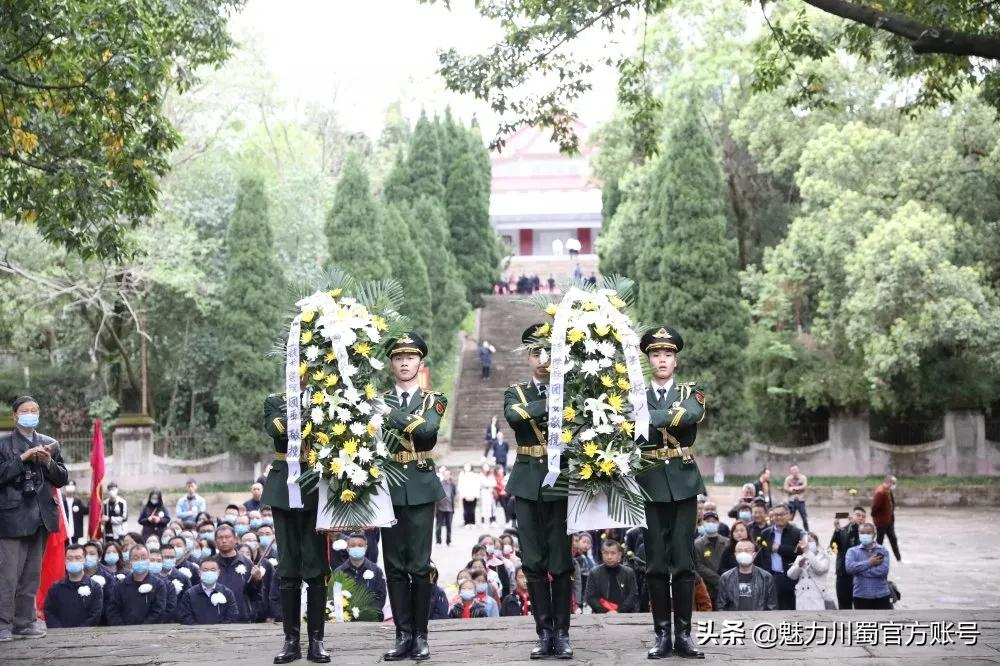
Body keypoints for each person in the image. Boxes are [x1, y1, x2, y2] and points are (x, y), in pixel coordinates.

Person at [635, 326, 706, 659]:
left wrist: (647, 417)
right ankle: (662, 634)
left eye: (667, 355)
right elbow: (627, 428)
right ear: (648, 360)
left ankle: (685, 634)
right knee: (656, 564)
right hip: (648, 483)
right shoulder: (635, 393)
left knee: (684, 561)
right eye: (655, 355)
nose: (661, 360)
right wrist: (661, 417)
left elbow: (690, 414)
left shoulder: (691, 391)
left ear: (675, 361)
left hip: (682, 483)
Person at [504, 324, 574, 659]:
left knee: (560, 562)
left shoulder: (573, 391)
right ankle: (543, 632)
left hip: (560, 483)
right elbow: (514, 416)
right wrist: (553, 404)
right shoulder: (516, 392)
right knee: (532, 562)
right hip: (529, 482)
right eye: (536, 353)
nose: (543, 359)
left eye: (550, 352)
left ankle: (562, 633)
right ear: (528, 358)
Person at [380, 333, 447, 662]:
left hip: (420, 485)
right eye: (398, 357)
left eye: (411, 357)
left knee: (419, 566)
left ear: (421, 363)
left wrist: (388, 416)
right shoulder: (376, 400)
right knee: (393, 565)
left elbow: (426, 432)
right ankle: (402, 634)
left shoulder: (435, 399)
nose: (404, 362)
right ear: (391, 364)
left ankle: (421, 635)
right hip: (387, 487)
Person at [261, 391, 331, 664]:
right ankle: (291, 641)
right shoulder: (276, 400)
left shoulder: (329, 398)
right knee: (288, 566)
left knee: (315, 566)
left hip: (316, 487)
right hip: (284, 487)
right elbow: (276, 429)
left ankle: (317, 640)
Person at [0, 395, 69, 641]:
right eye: (26, 410)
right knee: (7, 575)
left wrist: (48, 461)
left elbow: (62, 478)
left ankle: (24, 622)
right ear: (15, 416)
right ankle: (2, 624)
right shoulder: (3, 444)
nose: (31, 413)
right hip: (11, 519)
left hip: (42, 516)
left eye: (35, 410)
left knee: (31, 575)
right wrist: (23, 458)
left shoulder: (51, 443)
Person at [754, 503, 802, 611]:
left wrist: (780, 548)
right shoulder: (765, 533)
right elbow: (761, 555)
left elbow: (800, 553)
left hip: (790, 577)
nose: (779, 517)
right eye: (775, 515)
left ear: (789, 515)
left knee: (790, 609)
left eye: (782, 514)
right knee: (772, 608)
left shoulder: (797, 533)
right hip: (771, 577)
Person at [43, 543, 103, 628]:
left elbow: (95, 615)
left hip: (85, 636)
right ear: (65, 561)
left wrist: (79, 632)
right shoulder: (55, 588)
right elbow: (49, 612)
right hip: (60, 636)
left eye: (78, 558)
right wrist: (59, 630)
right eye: (69, 558)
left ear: (85, 560)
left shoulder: (95, 588)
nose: (73, 561)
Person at [107, 545, 167, 624]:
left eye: (143, 558)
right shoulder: (120, 585)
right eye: (135, 558)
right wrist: (122, 628)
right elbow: (113, 611)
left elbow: (158, 611)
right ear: (130, 561)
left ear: (148, 560)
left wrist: (142, 629)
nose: (140, 561)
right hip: (123, 632)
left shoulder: (159, 585)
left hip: (149, 632)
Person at [214, 523, 262, 623]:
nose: (224, 540)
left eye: (227, 537)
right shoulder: (211, 564)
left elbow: (255, 595)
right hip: (215, 619)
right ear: (215, 542)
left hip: (242, 618)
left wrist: (257, 580)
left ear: (236, 540)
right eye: (220, 537)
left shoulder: (247, 563)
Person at [334, 533, 387, 621]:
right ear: (347, 548)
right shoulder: (338, 572)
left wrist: (369, 612)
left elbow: (381, 596)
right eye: (353, 545)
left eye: (360, 545)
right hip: (346, 618)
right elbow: (334, 596)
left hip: (370, 619)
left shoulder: (376, 571)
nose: (356, 548)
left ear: (366, 548)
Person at [715, 540, 777, 611]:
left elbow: (772, 606)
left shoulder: (766, 577)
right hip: (735, 620)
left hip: (758, 619)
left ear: (754, 555)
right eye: (739, 551)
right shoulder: (726, 577)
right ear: (735, 554)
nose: (743, 553)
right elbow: (721, 605)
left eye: (747, 550)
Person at [176, 557, 239, 624]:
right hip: (196, 632)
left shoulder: (227, 593)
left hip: (221, 632)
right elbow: (185, 616)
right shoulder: (190, 594)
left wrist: (219, 629)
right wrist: (199, 629)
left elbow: (232, 615)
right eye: (205, 570)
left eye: (213, 570)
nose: (209, 572)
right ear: (199, 572)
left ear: (218, 572)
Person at [845, 522, 892, 610]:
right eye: (862, 533)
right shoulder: (852, 551)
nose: (865, 535)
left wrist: (859, 570)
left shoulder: (883, 550)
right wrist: (870, 563)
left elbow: (883, 571)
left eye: (868, 533)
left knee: (883, 622)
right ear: (858, 534)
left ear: (874, 534)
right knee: (863, 622)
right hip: (861, 595)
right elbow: (849, 568)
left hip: (881, 594)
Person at [586, 539, 639, 614]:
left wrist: (619, 611)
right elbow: (590, 597)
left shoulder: (628, 572)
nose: (609, 557)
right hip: (601, 615)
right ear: (602, 553)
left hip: (625, 615)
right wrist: (606, 611)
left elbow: (633, 595)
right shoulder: (594, 573)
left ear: (619, 555)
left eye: (613, 553)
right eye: (606, 553)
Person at [831, 506, 866, 610]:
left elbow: (859, 548)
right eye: (858, 515)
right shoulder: (842, 531)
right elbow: (834, 549)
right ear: (851, 516)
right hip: (843, 575)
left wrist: (855, 529)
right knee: (844, 607)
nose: (861, 518)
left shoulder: (867, 533)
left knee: (861, 608)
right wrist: (836, 531)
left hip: (860, 577)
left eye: (863, 516)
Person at [787, 531, 831, 610]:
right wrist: (799, 566)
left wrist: (808, 552)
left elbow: (820, 569)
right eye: (806, 541)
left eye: (810, 541)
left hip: (817, 595)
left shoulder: (824, 556)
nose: (807, 544)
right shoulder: (800, 557)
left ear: (816, 543)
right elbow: (791, 575)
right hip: (802, 596)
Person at [694, 511, 729, 608]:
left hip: (726, 587)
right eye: (708, 521)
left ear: (718, 523)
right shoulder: (697, 544)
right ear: (703, 523)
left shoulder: (727, 542)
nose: (711, 523)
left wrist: (724, 578)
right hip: (706, 587)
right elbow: (698, 565)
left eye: (714, 521)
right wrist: (718, 579)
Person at [871, 474, 901, 562]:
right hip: (882, 522)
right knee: (879, 540)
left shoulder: (888, 490)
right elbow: (874, 508)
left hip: (889, 521)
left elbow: (892, 503)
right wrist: (877, 519)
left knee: (893, 539)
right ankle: (876, 559)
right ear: (888, 482)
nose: (894, 485)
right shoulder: (880, 492)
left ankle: (898, 558)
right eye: (893, 483)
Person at [783, 464, 809, 531]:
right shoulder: (788, 479)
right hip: (791, 500)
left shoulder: (803, 477)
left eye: (795, 470)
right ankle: (786, 531)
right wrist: (791, 490)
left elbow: (804, 487)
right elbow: (785, 488)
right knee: (789, 517)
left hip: (801, 500)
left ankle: (807, 532)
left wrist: (794, 488)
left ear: (798, 470)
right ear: (790, 471)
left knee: (804, 518)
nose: (794, 472)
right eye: (792, 470)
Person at [61, 480, 89, 544]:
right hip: (64, 532)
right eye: (68, 485)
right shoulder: (61, 501)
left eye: (72, 485)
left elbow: (86, 511)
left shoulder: (78, 501)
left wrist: (92, 501)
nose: (70, 487)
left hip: (75, 532)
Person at [436, 467, 456, 547]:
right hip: (440, 508)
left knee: (449, 526)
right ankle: (438, 541)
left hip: (449, 508)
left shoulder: (452, 485)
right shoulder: (439, 484)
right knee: (439, 526)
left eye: (448, 474)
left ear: (450, 475)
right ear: (443, 475)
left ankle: (448, 541)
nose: (446, 476)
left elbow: (453, 495)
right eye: (445, 474)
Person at [457, 463, 479, 527]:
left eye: (468, 466)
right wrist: (463, 495)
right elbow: (460, 486)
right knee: (466, 510)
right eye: (466, 466)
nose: (467, 468)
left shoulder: (475, 475)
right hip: (465, 495)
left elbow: (477, 485)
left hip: (473, 495)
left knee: (472, 510)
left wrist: (475, 495)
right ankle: (466, 522)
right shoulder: (462, 475)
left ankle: (472, 522)